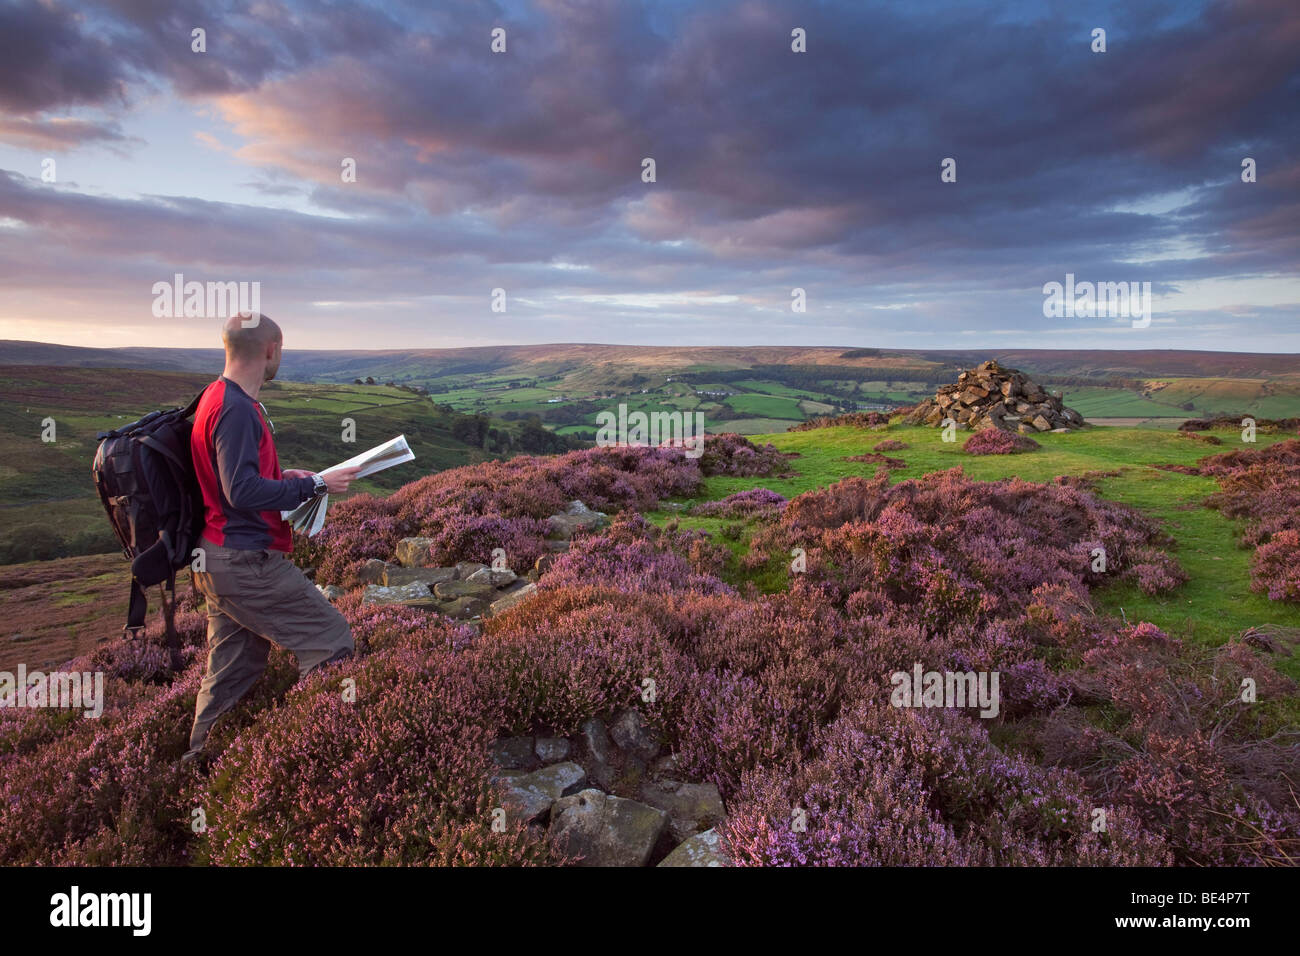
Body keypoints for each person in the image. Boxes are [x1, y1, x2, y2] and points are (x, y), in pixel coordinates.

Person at [181, 312, 361, 766]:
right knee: (332, 640)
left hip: (216, 558)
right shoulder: (238, 408)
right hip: (245, 561)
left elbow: (231, 480)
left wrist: (283, 476)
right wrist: (313, 485)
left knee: (234, 667)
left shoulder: (215, 397)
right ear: (270, 350)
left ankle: (198, 763)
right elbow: (239, 491)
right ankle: (313, 755)